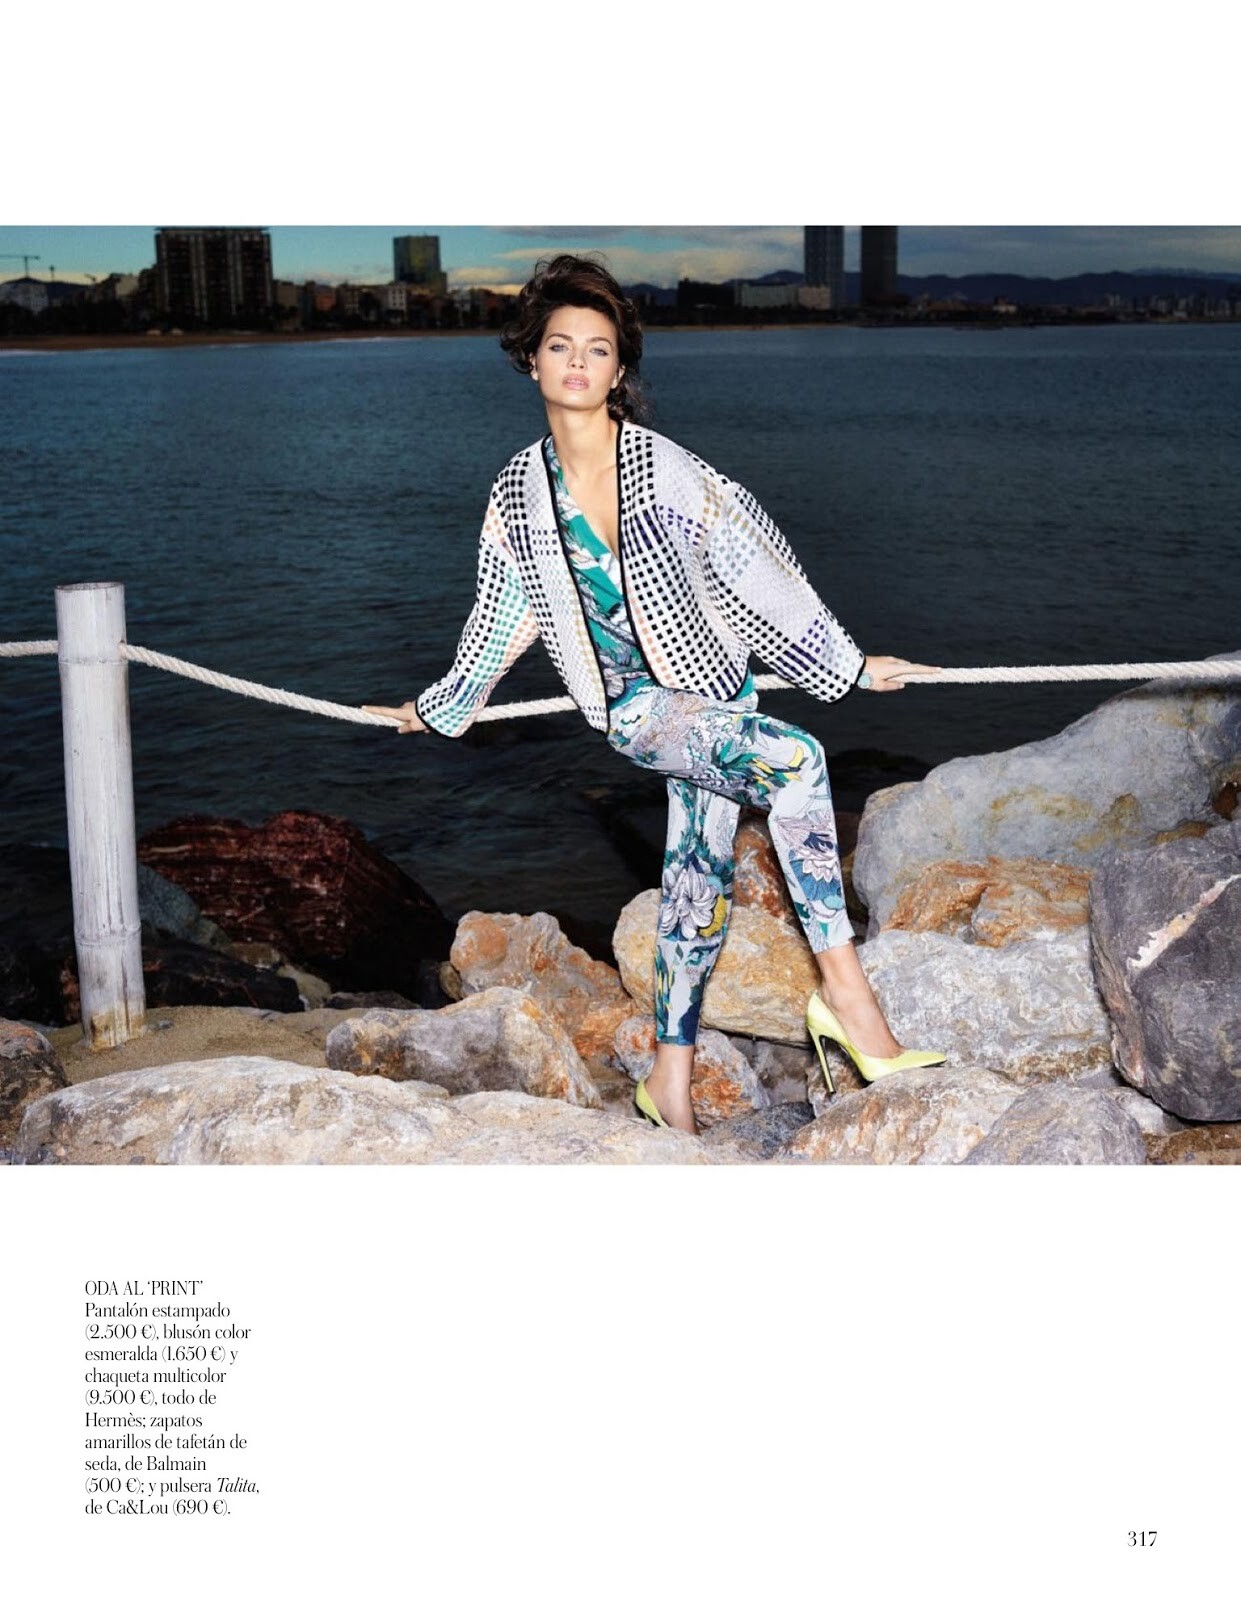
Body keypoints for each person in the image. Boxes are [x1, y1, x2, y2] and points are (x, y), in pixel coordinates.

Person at [364, 253, 947, 1134]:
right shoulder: (518, 493)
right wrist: (440, 705)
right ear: (531, 359)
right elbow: (503, 615)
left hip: (717, 692)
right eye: (560, 345)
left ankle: (667, 1086)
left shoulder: (662, 468)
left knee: (695, 884)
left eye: (597, 349)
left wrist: (845, 662)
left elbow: (752, 564)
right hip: (636, 711)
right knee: (796, 763)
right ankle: (848, 1000)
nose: (576, 362)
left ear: (618, 371)